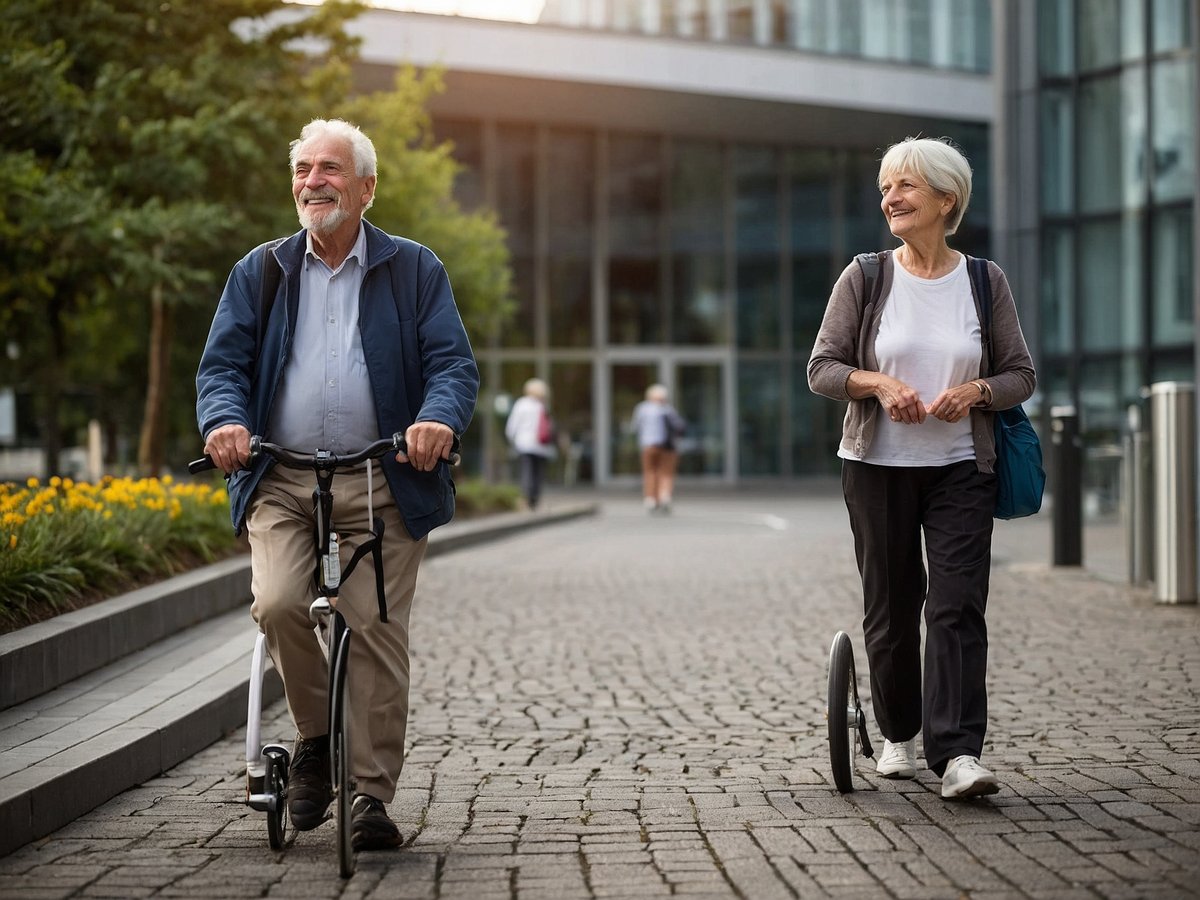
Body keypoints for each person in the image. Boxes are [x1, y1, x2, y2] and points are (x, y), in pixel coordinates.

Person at [195, 119, 478, 849]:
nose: (312, 181)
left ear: (365, 188)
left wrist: (436, 422)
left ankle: (371, 800)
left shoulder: (414, 269)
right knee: (280, 603)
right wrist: (225, 422)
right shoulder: (261, 270)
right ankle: (318, 741)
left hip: (382, 479)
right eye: (302, 169)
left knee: (376, 628)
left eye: (329, 169)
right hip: (281, 478)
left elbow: (452, 365)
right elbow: (222, 367)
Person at [807, 136, 1035, 799]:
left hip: (964, 463)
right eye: (885, 187)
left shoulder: (983, 280)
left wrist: (978, 392)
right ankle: (899, 733)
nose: (890, 198)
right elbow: (822, 369)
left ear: (946, 198)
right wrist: (877, 384)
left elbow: (1020, 373)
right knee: (892, 604)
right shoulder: (867, 275)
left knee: (957, 607)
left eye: (905, 185)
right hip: (876, 466)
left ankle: (959, 754)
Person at [630, 384, 686, 514]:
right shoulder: (667, 409)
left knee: (650, 471)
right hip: (668, 446)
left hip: (648, 445)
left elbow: (635, 427)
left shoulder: (642, 408)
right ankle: (665, 496)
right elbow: (679, 427)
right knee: (666, 473)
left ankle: (650, 498)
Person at [504, 377, 556, 510]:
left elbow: (512, 425)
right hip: (540, 446)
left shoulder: (522, 404)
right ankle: (535, 499)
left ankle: (527, 498)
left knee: (527, 472)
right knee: (538, 473)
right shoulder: (542, 406)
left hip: (525, 444)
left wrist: (511, 440)